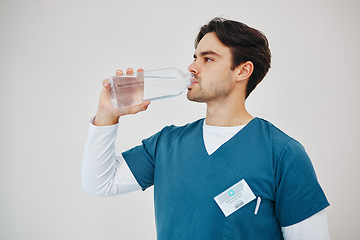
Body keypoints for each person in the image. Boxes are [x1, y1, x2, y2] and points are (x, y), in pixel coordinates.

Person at [82, 17, 330, 239]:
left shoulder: (283, 154)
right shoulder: (166, 144)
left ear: (242, 71)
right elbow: (99, 183)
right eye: (194, 57)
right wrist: (107, 114)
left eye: (208, 58)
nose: (192, 67)